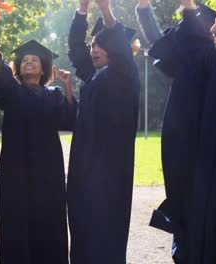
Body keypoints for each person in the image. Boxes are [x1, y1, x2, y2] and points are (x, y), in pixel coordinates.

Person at [147, 0, 216, 263]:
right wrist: (188, 6)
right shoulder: (209, 69)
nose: (212, 29)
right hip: (205, 200)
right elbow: (170, 51)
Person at [0, 13, 77, 264]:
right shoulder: (11, 92)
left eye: (34, 60)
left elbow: (69, 121)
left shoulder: (54, 95)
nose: (28, 62)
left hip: (49, 177)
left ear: (44, 67)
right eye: (24, 60)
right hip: (17, 175)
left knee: (50, 225)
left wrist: (67, 85)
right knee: (17, 226)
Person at [135, 1, 216, 262]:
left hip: (206, 145)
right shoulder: (187, 61)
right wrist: (144, 8)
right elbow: (159, 42)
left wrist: (190, 8)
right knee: (182, 199)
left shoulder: (215, 58)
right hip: (181, 148)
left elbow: (189, 36)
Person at [66, 0, 140, 263]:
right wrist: (82, 9)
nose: (93, 49)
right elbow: (76, 49)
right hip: (85, 173)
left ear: (117, 50)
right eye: (93, 45)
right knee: (83, 236)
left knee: (104, 240)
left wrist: (105, 9)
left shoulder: (125, 74)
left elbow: (119, 43)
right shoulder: (94, 76)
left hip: (109, 177)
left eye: (100, 45)